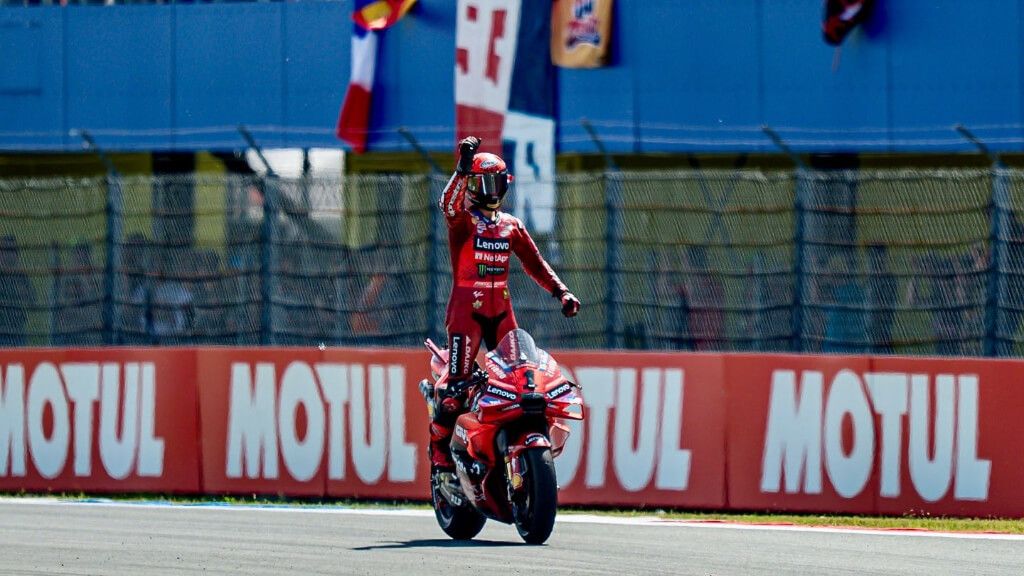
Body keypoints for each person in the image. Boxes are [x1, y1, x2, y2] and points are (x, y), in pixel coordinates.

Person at [426, 136, 580, 474]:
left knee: (524, 378)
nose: (492, 189)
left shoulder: (512, 226)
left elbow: (535, 264)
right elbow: (447, 205)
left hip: (501, 311)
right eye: (484, 181)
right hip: (467, 313)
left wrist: (561, 292)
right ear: (472, 184)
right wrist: (463, 167)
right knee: (455, 388)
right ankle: (438, 447)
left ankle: (507, 442)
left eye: (497, 181)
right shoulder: (463, 221)